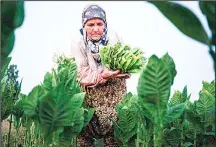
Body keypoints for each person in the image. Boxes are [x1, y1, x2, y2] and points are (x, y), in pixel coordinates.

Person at [71, 4, 130, 147]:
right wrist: (103, 75)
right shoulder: (78, 43)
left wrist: (118, 72)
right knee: (84, 135)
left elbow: (126, 67)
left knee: (116, 136)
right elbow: (81, 72)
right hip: (90, 96)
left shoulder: (114, 38)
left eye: (99, 24)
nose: (96, 28)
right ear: (84, 26)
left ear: (105, 24)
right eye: (90, 24)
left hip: (114, 95)